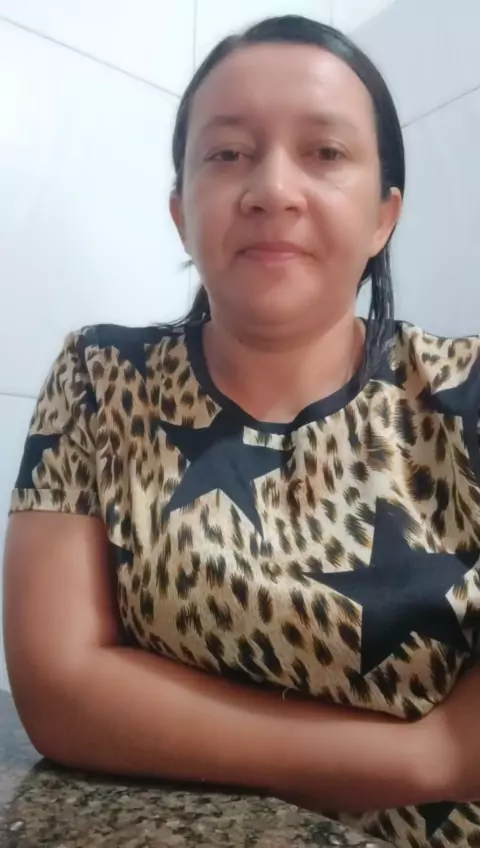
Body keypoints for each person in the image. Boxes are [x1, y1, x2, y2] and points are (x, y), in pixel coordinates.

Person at [4, 14, 480, 848]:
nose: (272, 189)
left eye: (324, 152)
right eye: (227, 153)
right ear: (182, 213)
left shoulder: (465, 394)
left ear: (384, 216)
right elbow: (59, 689)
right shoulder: (96, 377)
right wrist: (427, 755)